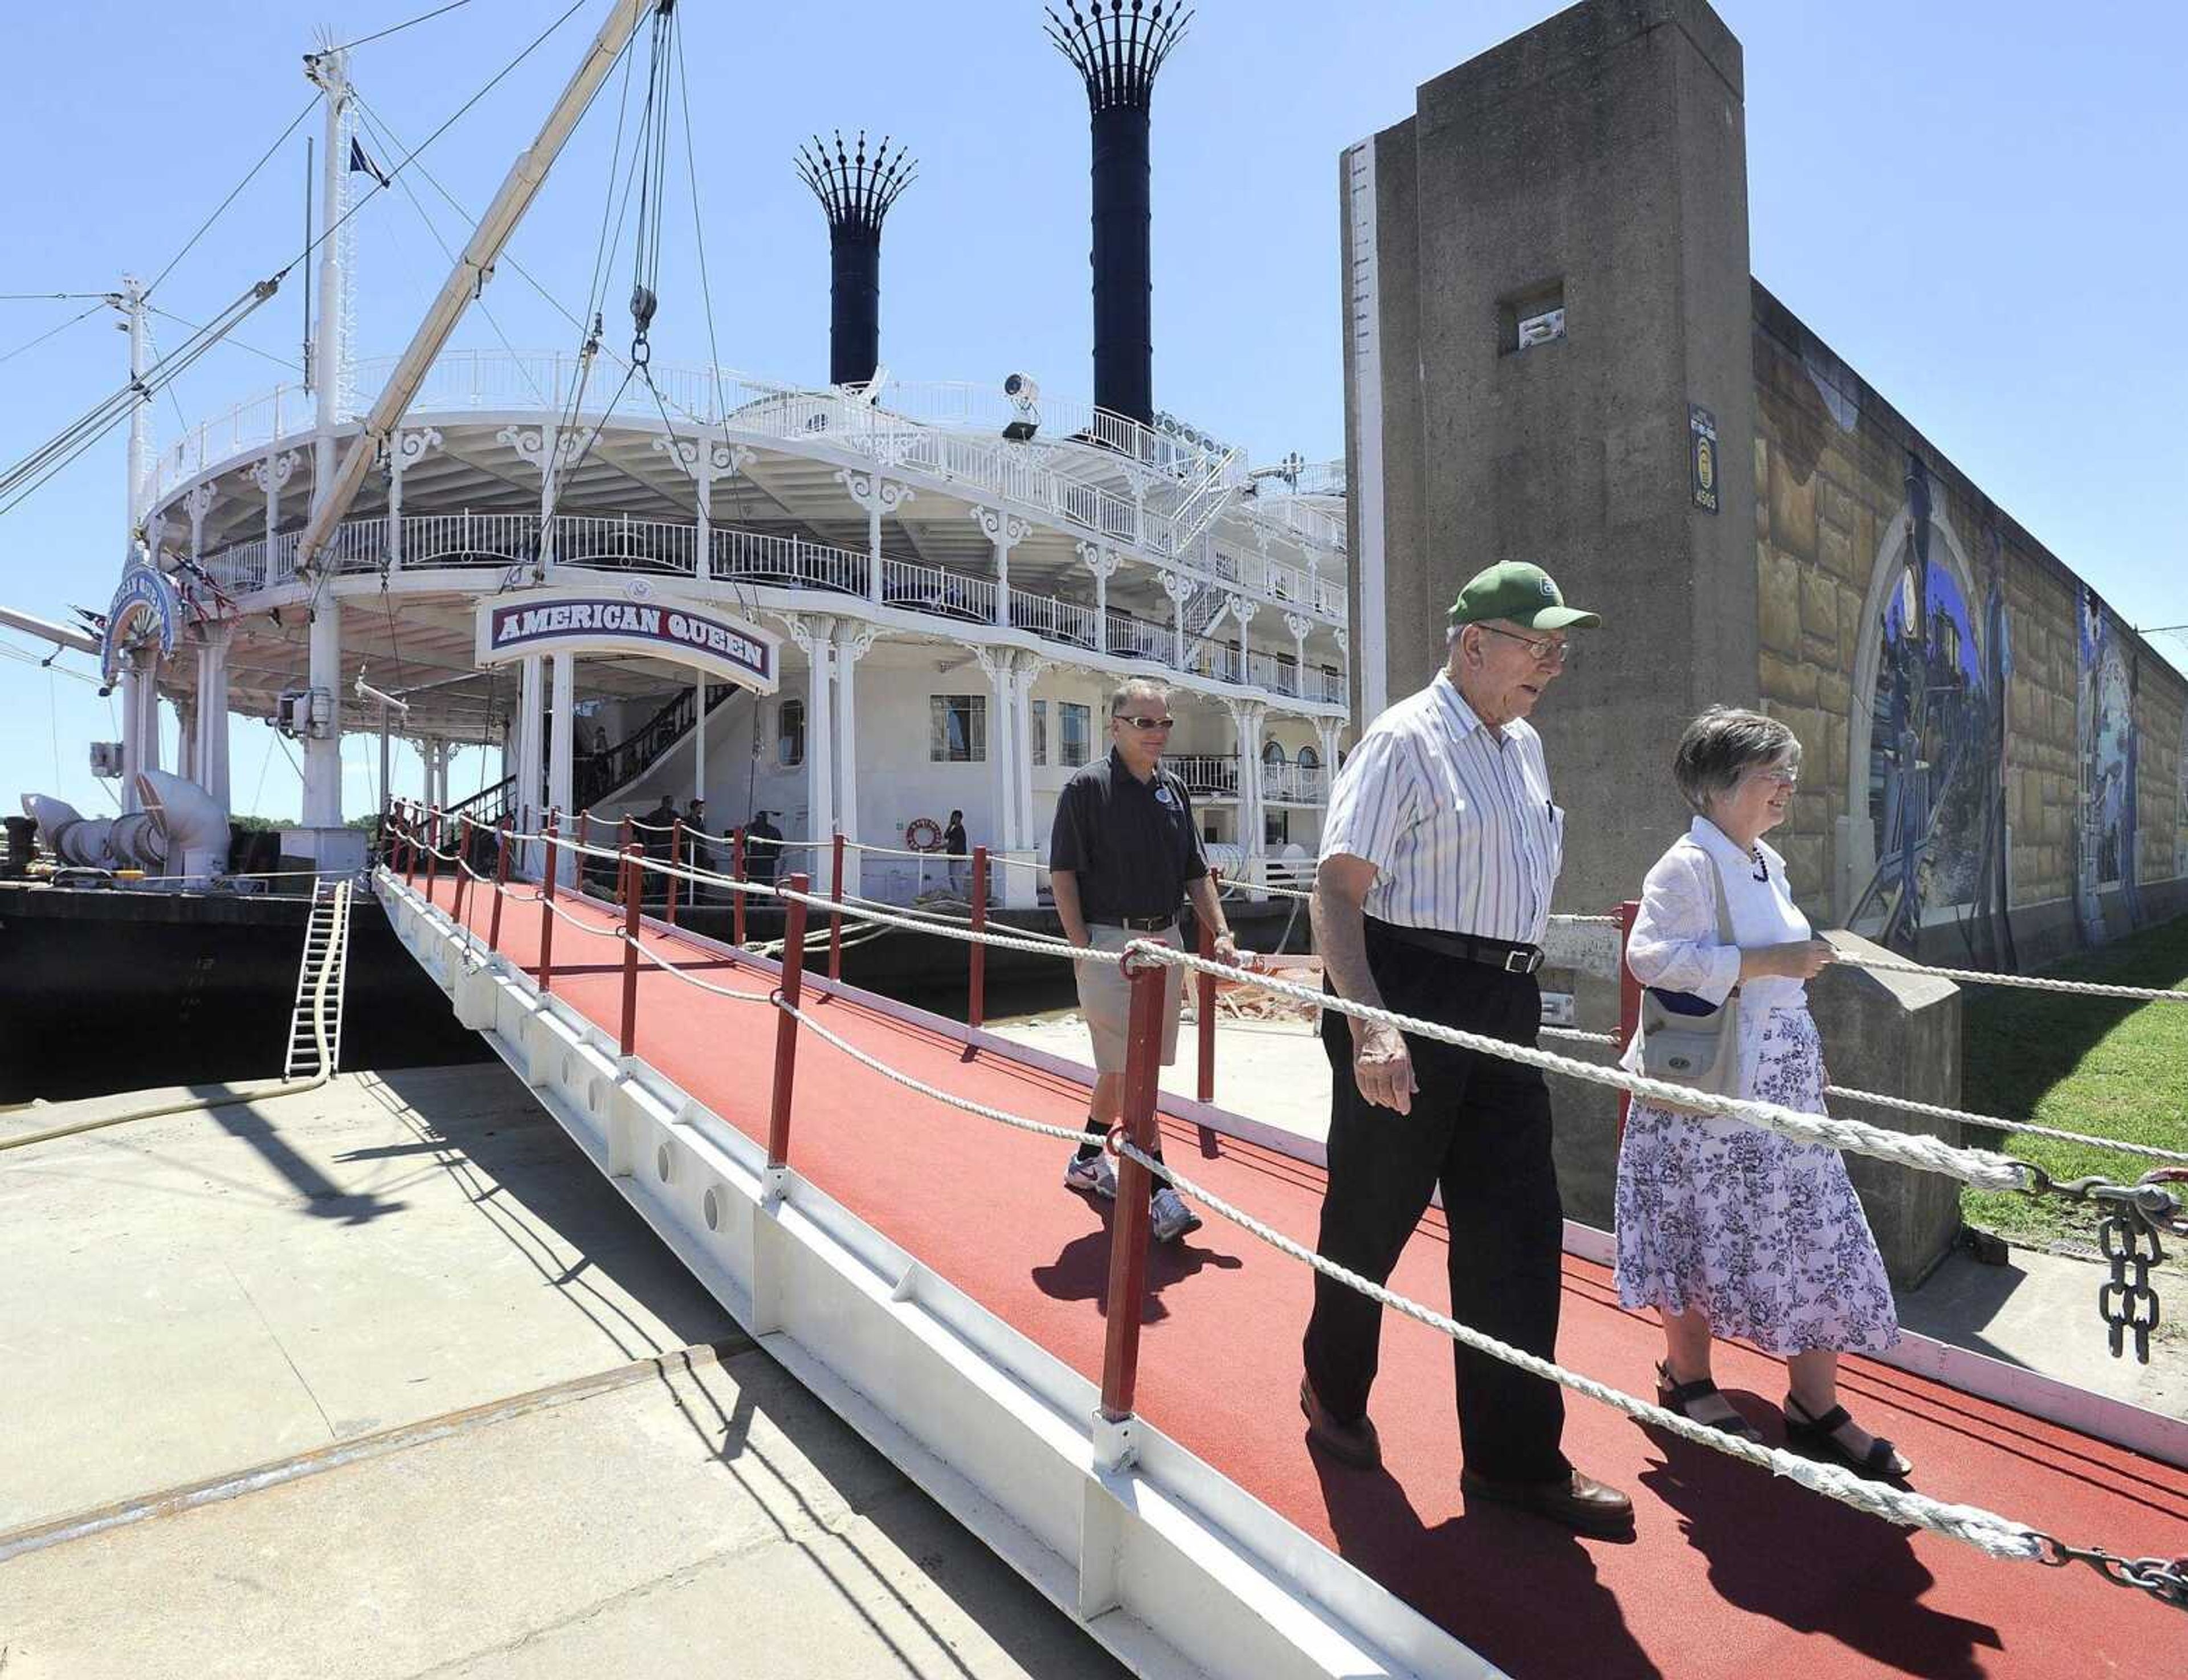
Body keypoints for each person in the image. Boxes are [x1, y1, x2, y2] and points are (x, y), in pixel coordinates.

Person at [1304, 561, 1633, 1538]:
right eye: (1536, 641)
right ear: (1471, 642)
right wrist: (1372, 1020)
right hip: (1407, 985)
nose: (1553, 660)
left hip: (1505, 1000)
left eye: (1558, 645)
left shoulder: (1526, 747)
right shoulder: (1403, 740)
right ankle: (1332, 1388)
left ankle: (1514, 1457)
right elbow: (1335, 893)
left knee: (1517, 1233)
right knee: (1373, 1214)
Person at [1615, 707, 1909, 1478]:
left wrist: (1804, 1054)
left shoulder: (1761, 862)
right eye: (1770, 773)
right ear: (1717, 786)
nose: (1787, 786)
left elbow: (1778, 981)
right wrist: (1770, 960)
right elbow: (1653, 961)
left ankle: (1815, 1403)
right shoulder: (1687, 865)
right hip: (1708, 1093)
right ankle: (1687, 1379)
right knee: (1697, 1225)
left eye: (1789, 772)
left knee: (1815, 1232)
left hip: (1778, 1082)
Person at [1050, 677, 1240, 1244]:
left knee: (1128, 1067)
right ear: (1116, 725)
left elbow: (1194, 873)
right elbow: (1062, 872)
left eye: (1164, 723)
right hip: (1111, 944)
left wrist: (1223, 933)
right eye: (1144, 722)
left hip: (1166, 942)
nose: (1156, 732)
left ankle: (1087, 1158)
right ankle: (1161, 1192)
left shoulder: (1174, 790)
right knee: (1133, 1071)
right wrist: (1082, 944)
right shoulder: (1086, 788)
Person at [745, 809, 782, 888]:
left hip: (767, 861)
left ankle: (764, 900)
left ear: (765, 819)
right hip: (753, 860)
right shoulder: (749, 828)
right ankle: (750, 900)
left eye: (761, 818)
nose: (759, 820)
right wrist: (743, 855)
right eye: (757, 818)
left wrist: (777, 854)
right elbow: (742, 843)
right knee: (751, 885)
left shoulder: (773, 831)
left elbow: (780, 844)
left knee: (766, 885)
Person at [943, 809, 970, 899]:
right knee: (952, 879)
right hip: (953, 858)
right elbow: (946, 836)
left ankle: (960, 898)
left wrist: (937, 848)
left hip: (959, 858)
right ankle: (957, 897)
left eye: (955, 817)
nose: (953, 819)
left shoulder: (960, 830)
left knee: (957, 880)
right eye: (952, 817)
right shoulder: (954, 829)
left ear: (960, 818)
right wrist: (950, 825)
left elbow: (951, 844)